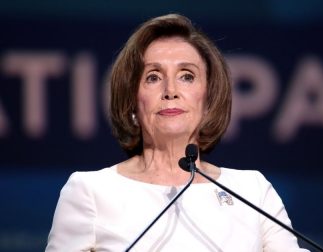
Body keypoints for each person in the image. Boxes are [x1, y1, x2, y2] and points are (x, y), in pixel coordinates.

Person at [46, 14, 308, 251]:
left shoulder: (252, 192)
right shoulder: (90, 192)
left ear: (208, 99)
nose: (171, 90)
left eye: (187, 76)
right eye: (153, 77)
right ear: (132, 101)